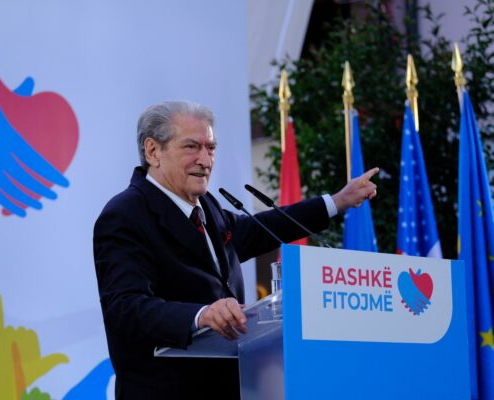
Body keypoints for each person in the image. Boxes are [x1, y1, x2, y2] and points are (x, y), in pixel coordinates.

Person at [93, 100, 378, 400]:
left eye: (211, 148)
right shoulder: (125, 215)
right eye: (191, 147)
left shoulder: (207, 207)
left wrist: (336, 202)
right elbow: (125, 308)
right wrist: (201, 315)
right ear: (153, 151)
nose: (205, 160)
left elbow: (261, 229)